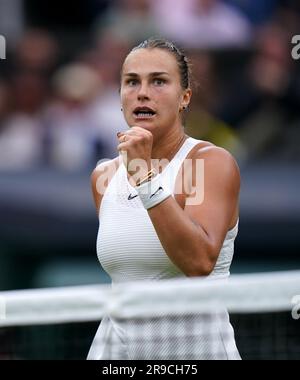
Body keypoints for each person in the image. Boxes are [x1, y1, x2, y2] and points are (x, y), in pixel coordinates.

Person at [88, 38, 241, 360]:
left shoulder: (209, 163)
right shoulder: (103, 177)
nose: (142, 92)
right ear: (119, 96)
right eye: (131, 82)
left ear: (185, 97)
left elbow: (198, 262)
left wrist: (144, 178)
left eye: (158, 81)